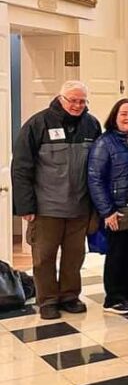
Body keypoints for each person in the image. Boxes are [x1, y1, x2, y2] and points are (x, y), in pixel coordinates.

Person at [11, 81, 101, 320]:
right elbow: (21, 168)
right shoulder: (37, 124)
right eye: (73, 100)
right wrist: (25, 206)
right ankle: (48, 300)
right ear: (60, 98)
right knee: (44, 257)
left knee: (74, 257)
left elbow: (97, 166)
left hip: (80, 207)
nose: (78, 105)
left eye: (82, 101)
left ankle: (70, 296)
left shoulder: (92, 125)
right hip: (46, 207)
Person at [87, 99, 128, 315]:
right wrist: (107, 211)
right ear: (115, 117)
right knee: (118, 253)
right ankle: (114, 298)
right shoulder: (105, 142)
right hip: (117, 207)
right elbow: (95, 179)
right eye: (124, 114)